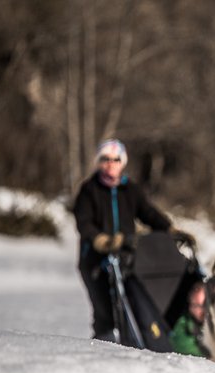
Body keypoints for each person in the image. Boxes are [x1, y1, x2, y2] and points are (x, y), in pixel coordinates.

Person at [73, 138, 176, 341]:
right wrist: (99, 240)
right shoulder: (89, 190)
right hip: (95, 261)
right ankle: (104, 348)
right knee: (105, 312)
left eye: (116, 159)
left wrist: (169, 229)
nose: (111, 163)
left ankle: (135, 348)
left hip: (126, 259)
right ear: (98, 161)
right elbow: (83, 222)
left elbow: (148, 213)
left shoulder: (130, 189)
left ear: (123, 162)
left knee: (135, 307)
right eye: (105, 159)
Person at [170, 281, 208, 357]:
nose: (203, 310)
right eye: (197, 305)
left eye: (205, 304)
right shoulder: (182, 329)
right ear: (190, 306)